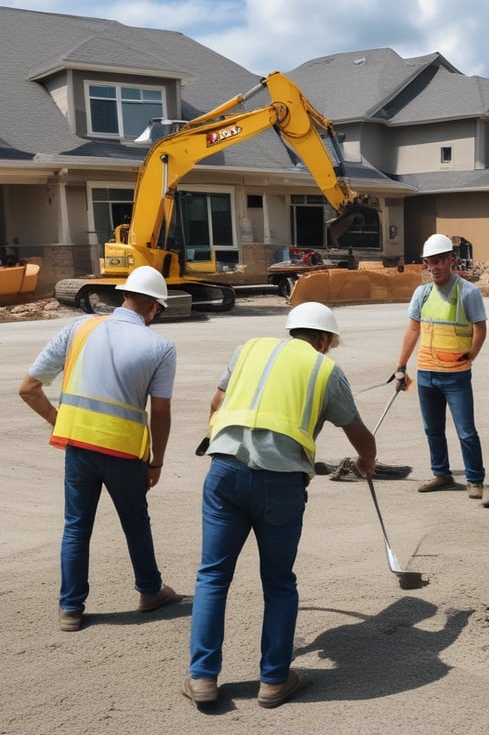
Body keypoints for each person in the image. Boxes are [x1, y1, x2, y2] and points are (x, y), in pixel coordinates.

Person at [184, 301, 377, 709]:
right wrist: (366, 462)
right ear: (324, 340)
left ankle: (203, 677)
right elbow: (358, 433)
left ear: (292, 330)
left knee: (213, 577)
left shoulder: (249, 348)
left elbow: (217, 404)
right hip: (280, 485)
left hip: (225, 473)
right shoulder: (325, 369)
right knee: (278, 582)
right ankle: (273, 680)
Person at [19, 266, 179, 632]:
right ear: (154, 307)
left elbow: (29, 388)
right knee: (136, 523)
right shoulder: (160, 347)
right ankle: (150, 591)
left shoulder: (79, 328)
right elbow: (162, 410)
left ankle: (71, 608)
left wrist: (60, 422)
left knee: (76, 527)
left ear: (125, 296)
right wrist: (157, 461)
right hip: (124, 453)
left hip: (79, 447)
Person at [394, 233, 487, 498]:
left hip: (456, 376)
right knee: (432, 429)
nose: (433, 267)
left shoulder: (468, 293)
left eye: (438, 261)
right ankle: (441, 474)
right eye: (429, 262)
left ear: (451, 260)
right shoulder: (422, 294)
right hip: (427, 375)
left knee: (466, 431)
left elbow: (480, 328)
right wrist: (401, 366)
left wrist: (471, 356)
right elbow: (413, 329)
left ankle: (475, 479)